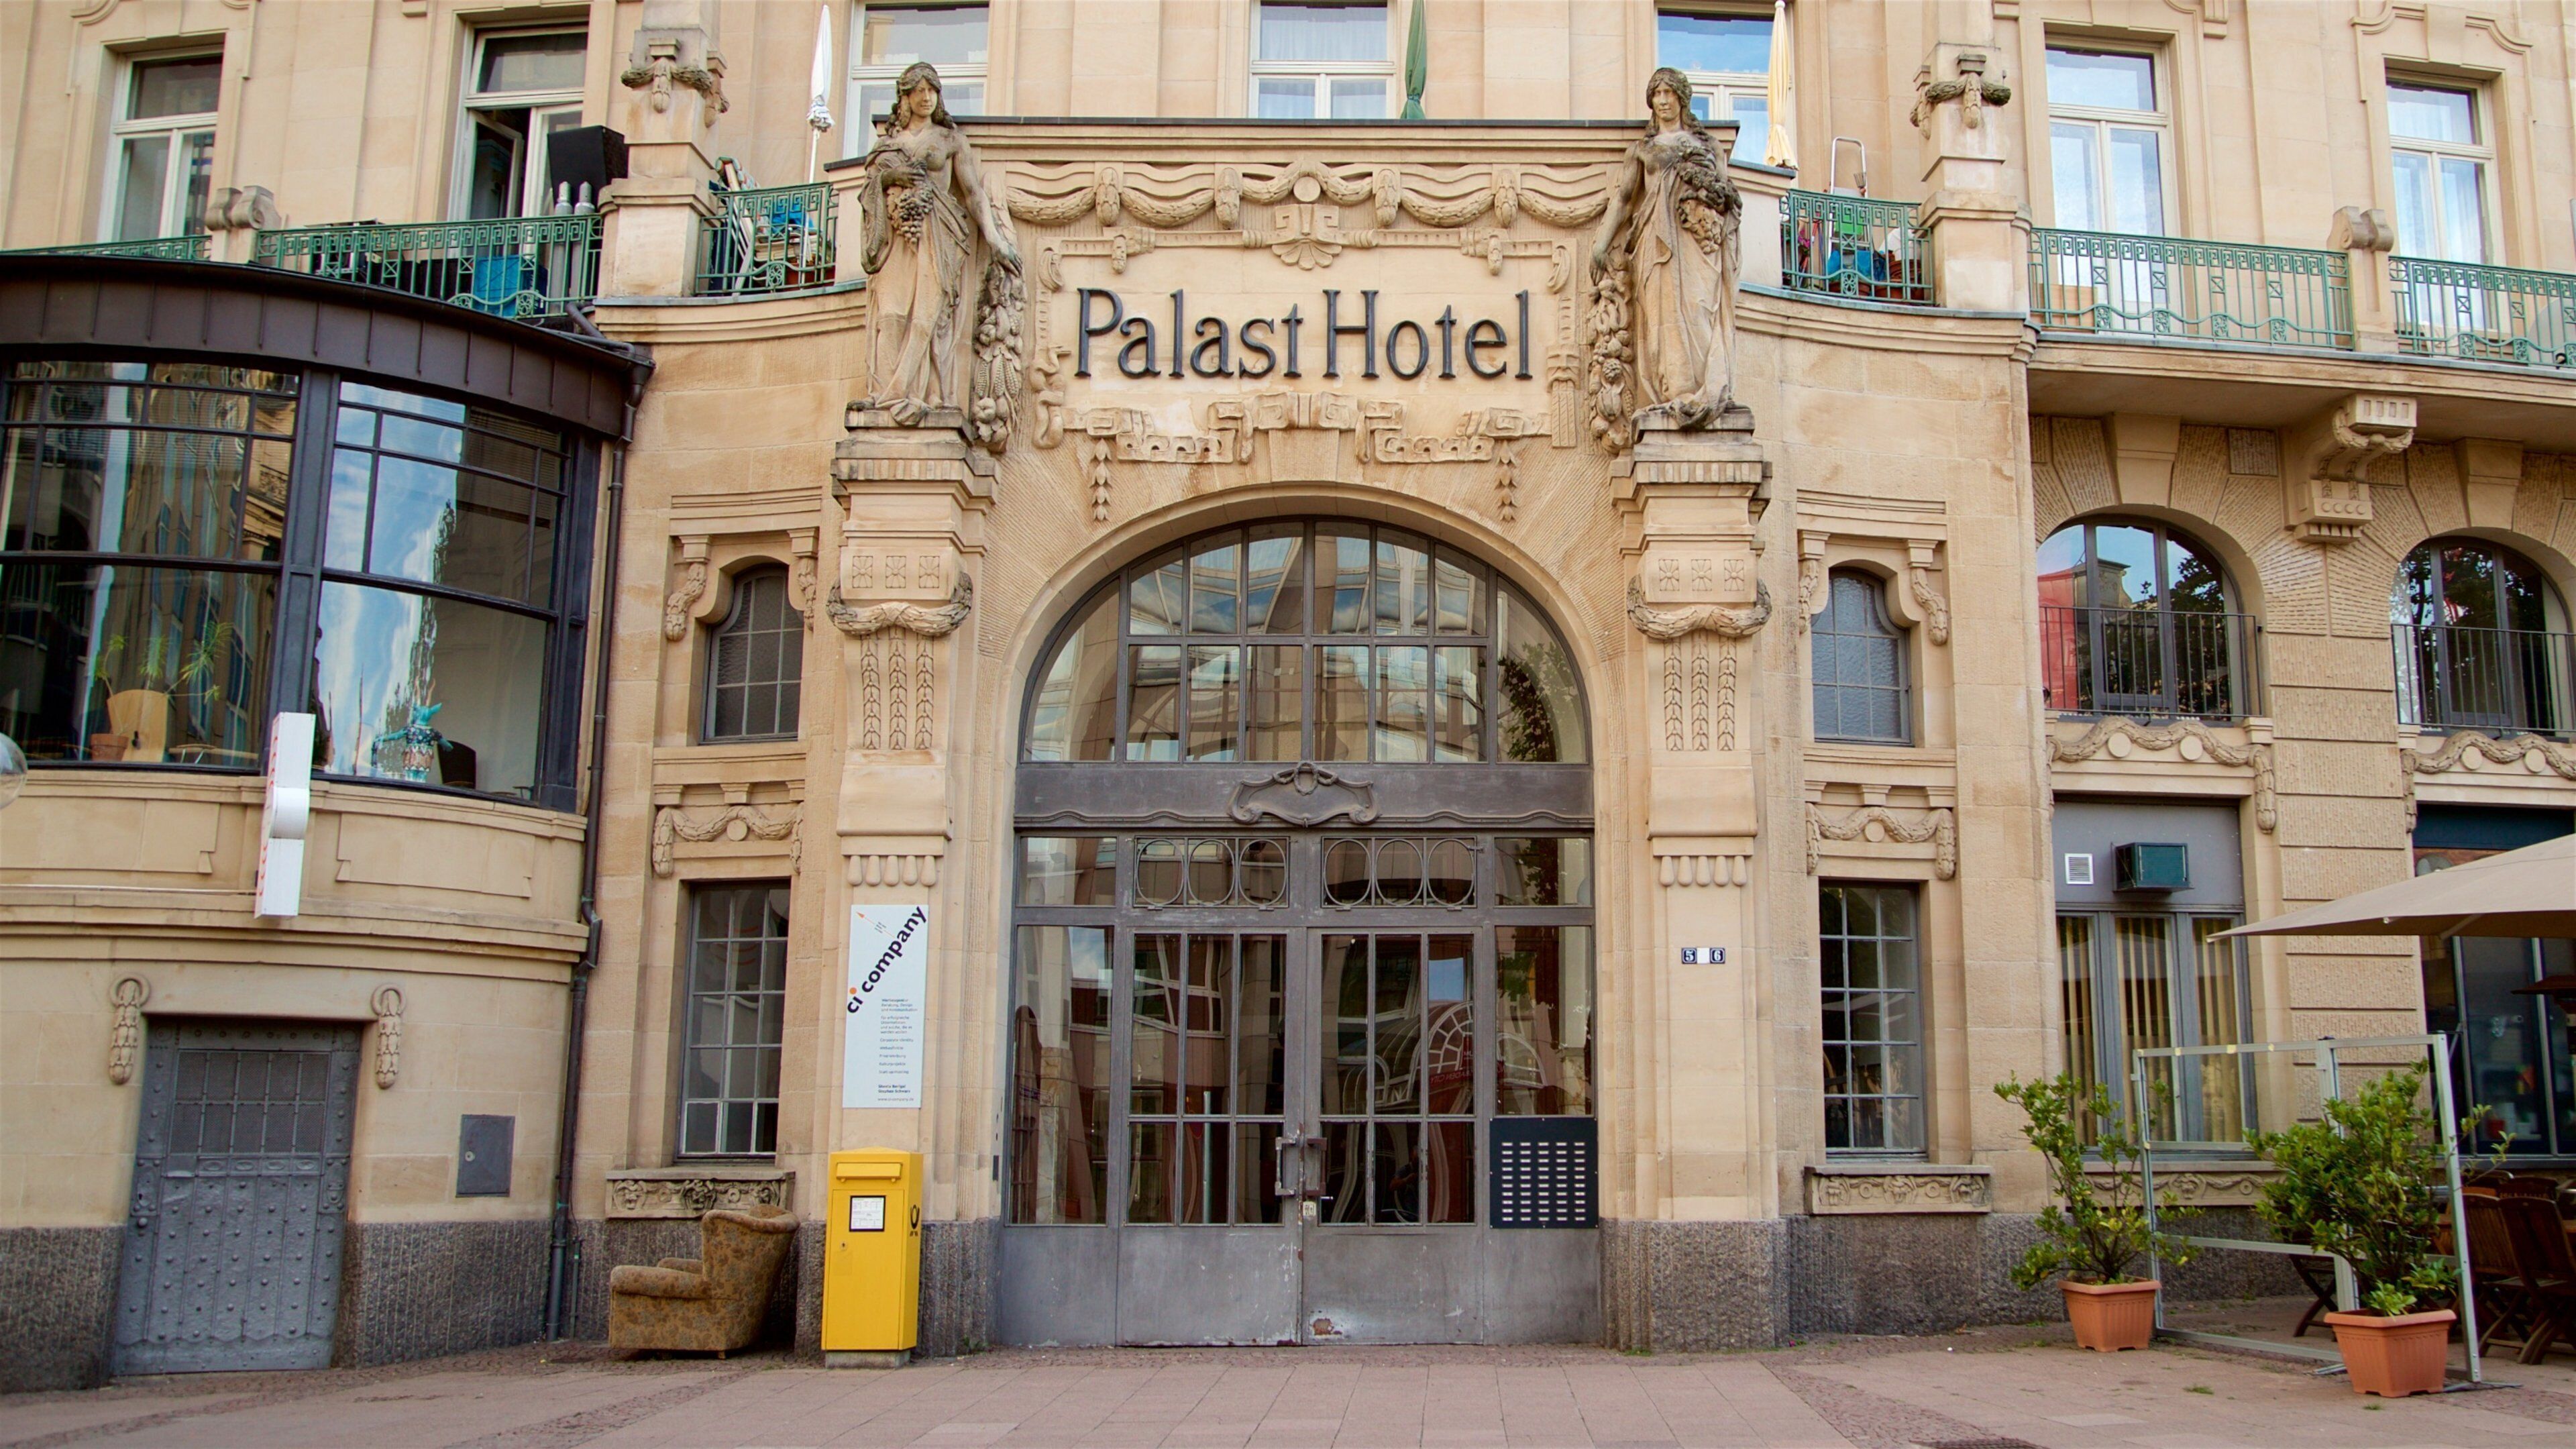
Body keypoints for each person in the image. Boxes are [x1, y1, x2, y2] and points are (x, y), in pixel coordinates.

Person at [856, 62, 1018, 423]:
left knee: (926, 317)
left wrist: (994, 239)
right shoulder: (887, 145)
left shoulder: (950, 140)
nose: (926, 97)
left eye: (932, 90)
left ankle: (911, 393)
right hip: (898, 237)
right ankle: (885, 394)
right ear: (905, 97)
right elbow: (868, 192)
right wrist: (891, 178)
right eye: (919, 90)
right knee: (891, 315)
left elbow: (973, 193)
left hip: (938, 234)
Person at [1591, 67, 1743, 430]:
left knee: (1699, 308)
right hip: (1656, 242)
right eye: (1657, 95)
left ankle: (1703, 389)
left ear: (1682, 99)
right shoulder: (1643, 150)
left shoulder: (1709, 147)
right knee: (1662, 316)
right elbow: (1624, 199)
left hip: (1696, 242)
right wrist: (1601, 242)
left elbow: (1726, 199)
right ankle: (1673, 391)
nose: (1662, 101)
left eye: (1669, 94)